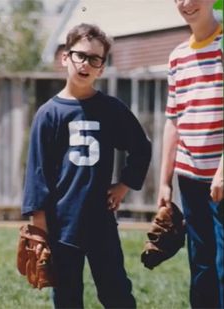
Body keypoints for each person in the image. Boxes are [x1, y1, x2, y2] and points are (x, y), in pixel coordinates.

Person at [22, 23, 152, 309]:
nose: (86, 64)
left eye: (95, 59)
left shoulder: (111, 109)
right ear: (65, 57)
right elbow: (38, 171)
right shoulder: (49, 114)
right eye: (80, 55)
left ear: (102, 67)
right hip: (62, 225)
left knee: (116, 292)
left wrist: (124, 185)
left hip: (100, 221)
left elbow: (141, 147)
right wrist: (39, 225)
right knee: (67, 298)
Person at [157, 0, 223, 308]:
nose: (186, 3)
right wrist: (164, 181)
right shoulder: (177, 57)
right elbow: (173, 121)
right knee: (201, 263)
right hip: (190, 177)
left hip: (220, 177)